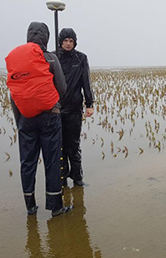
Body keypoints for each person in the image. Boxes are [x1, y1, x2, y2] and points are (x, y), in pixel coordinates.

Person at [5, 22, 71, 217]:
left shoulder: (15, 59)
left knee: (27, 162)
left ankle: (30, 206)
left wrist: (19, 120)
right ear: (46, 37)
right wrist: (53, 104)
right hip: (49, 116)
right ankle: (55, 207)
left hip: (25, 117)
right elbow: (62, 87)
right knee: (52, 160)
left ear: (28, 36)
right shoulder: (50, 58)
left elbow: (14, 92)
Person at [55, 28, 94, 187]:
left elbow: (86, 82)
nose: (68, 44)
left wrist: (89, 104)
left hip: (74, 108)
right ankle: (62, 178)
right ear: (61, 41)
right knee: (59, 145)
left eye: (71, 41)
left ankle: (77, 178)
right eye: (65, 41)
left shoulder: (81, 58)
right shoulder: (53, 57)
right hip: (56, 109)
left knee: (74, 144)